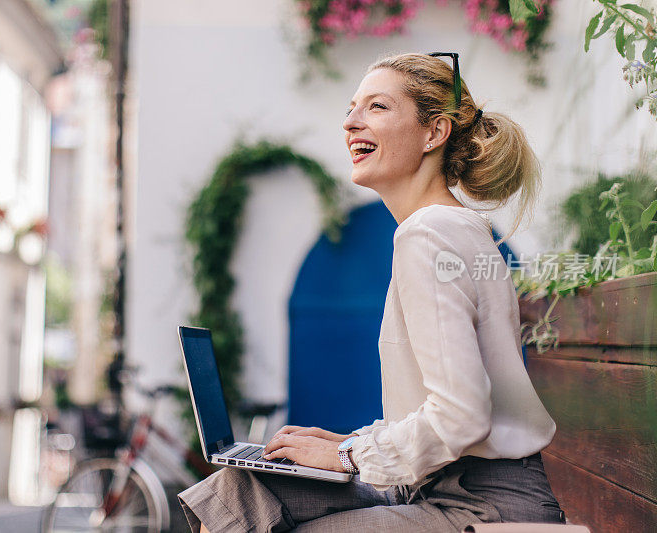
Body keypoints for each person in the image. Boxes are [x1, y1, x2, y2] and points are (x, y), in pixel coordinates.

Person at [177, 51, 566, 532]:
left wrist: (346, 454)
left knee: (254, 506)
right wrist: (351, 441)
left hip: (478, 508)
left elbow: (462, 418)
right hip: (448, 489)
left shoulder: (429, 233)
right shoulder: (451, 228)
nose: (351, 123)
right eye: (350, 109)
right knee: (247, 486)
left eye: (377, 107)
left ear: (434, 132)